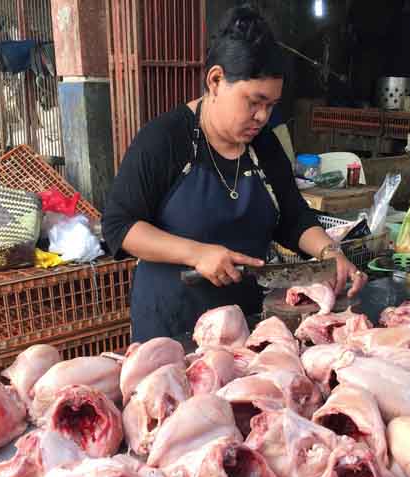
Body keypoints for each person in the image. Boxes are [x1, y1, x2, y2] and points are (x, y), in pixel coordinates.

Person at [102, 5, 366, 341]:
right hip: (173, 325)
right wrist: (197, 254)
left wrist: (331, 254)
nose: (262, 117)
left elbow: (292, 216)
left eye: (271, 105)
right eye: (254, 101)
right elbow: (119, 226)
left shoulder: (265, 146)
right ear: (215, 80)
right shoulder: (165, 139)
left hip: (248, 323)